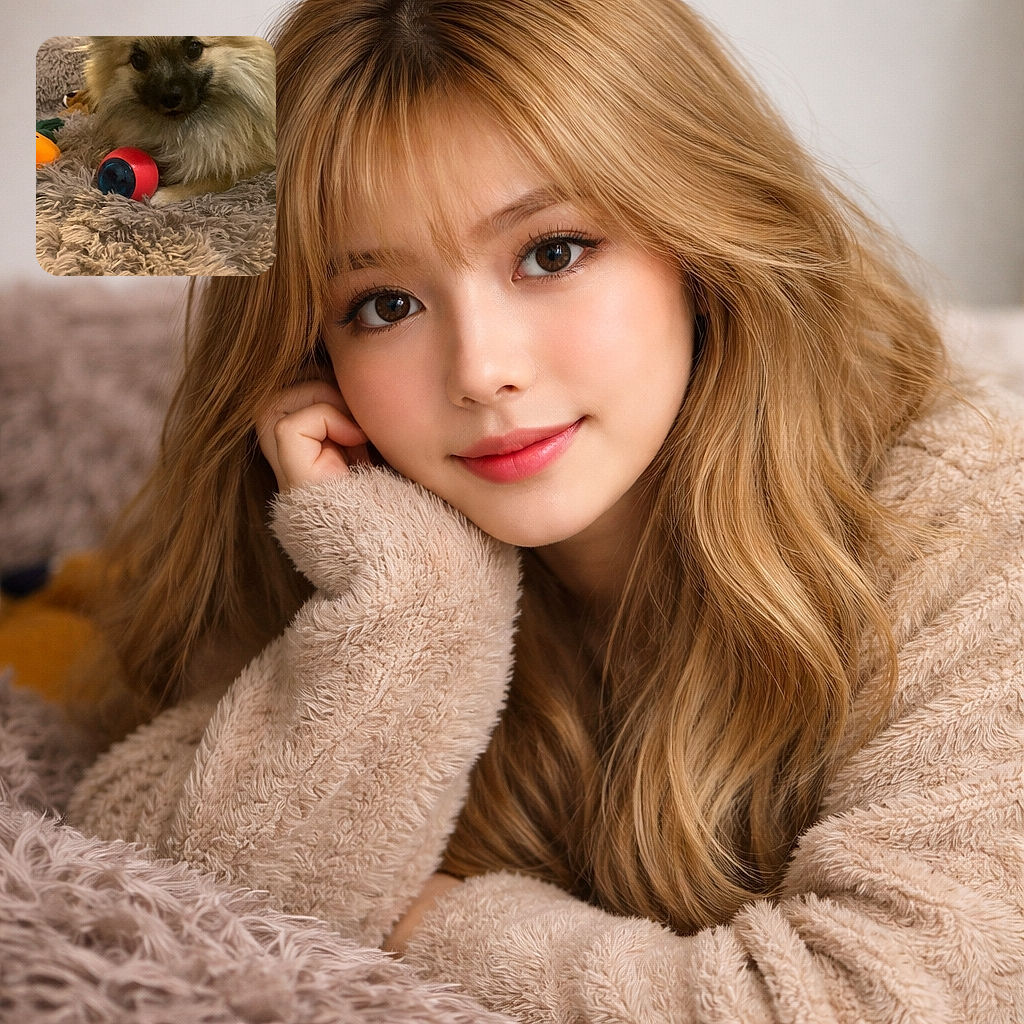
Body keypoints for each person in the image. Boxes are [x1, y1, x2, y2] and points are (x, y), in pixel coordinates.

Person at [68, 0, 1024, 1020]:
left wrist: (417, 921)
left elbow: (876, 1002)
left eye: (552, 253)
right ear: (311, 356)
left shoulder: (968, 514)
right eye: (382, 305)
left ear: (699, 245)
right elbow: (151, 887)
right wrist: (412, 606)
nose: (482, 372)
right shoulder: (333, 524)